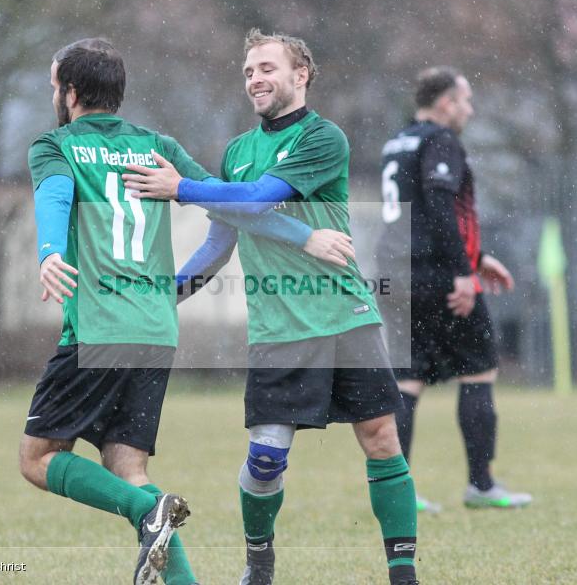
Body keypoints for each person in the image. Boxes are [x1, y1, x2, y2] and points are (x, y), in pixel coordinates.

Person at [19, 37, 355, 585]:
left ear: (72, 93)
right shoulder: (157, 146)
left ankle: (145, 512)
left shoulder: (55, 145)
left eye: (55, 84)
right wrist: (305, 236)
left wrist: (50, 252)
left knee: (37, 459)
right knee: (128, 468)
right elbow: (227, 202)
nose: (53, 94)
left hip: (100, 329)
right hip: (156, 328)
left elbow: (54, 198)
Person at [124, 29, 419, 585]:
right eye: (248, 72)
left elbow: (261, 200)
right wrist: (168, 295)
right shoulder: (237, 152)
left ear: (300, 74)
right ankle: (260, 563)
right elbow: (219, 242)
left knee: (381, 438)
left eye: (266, 68)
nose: (255, 80)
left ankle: (403, 574)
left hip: (345, 315)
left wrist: (183, 187)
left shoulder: (323, 137)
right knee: (265, 463)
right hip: (278, 329)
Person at [374, 66, 532, 512]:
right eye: (465, 100)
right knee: (478, 368)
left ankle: (398, 493)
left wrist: (479, 258)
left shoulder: (397, 141)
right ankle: (481, 485)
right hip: (437, 275)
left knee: (407, 380)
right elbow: (441, 205)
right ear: (445, 103)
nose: (470, 109)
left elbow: (419, 213)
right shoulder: (440, 140)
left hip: (395, 271)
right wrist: (465, 272)